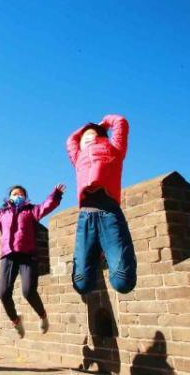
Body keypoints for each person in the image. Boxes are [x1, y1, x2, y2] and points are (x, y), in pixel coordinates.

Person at [0, 183, 65, 338]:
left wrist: (56, 194)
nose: (18, 196)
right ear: (9, 197)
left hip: (28, 255)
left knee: (28, 291)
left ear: (25, 197)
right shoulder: (1, 214)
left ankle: (43, 316)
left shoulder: (32, 211)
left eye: (21, 194)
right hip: (8, 255)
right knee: (3, 293)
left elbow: (46, 206)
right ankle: (16, 321)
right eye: (15, 193)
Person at [66, 114, 136, 295]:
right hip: (85, 217)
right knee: (81, 284)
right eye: (84, 136)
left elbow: (120, 122)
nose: (86, 137)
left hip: (109, 212)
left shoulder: (114, 149)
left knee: (123, 282)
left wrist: (102, 124)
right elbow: (71, 140)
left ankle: (107, 250)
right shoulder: (78, 157)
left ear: (101, 135)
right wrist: (85, 129)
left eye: (91, 134)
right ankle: (98, 251)